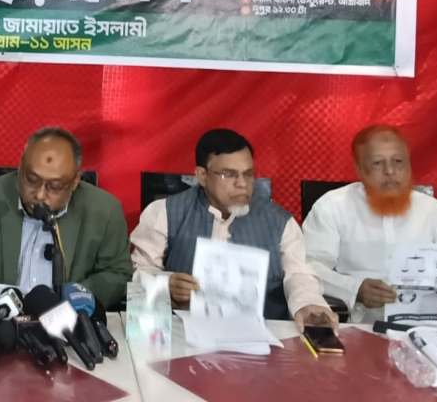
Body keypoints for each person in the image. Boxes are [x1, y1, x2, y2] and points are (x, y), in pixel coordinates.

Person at [131, 129, 336, 330]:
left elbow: (299, 274)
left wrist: (308, 303)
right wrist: (166, 285)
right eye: (228, 174)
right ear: (202, 176)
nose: (242, 184)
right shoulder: (164, 212)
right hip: (182, 332)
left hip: (262, 333)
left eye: (248, 174)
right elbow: (141, 271)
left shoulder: (280, 222)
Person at [302, 124, 437, 325]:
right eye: (377, 163)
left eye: (398, 161)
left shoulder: (433, 211)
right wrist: (355, 289)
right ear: (359, 170)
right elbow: (308, 265)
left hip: (428, 325)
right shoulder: (332, 207)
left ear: (409, 166)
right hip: (362, 323)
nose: (390, 171)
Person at [0, 127, 133, 310]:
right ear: (21, 164)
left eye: (55, 186)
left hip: (68, 322)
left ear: (75, 181)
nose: (40, 195)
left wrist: (75, 298)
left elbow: (117, 273)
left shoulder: (105, 212)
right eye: (32, 179)